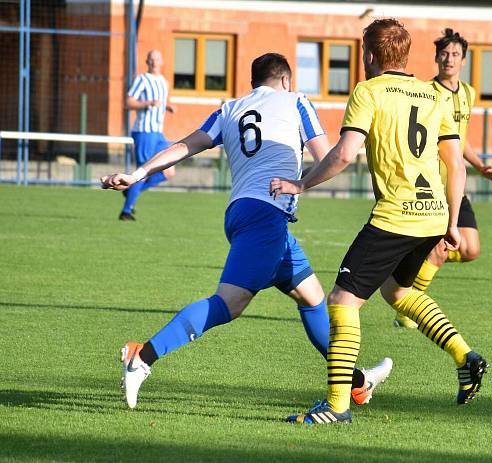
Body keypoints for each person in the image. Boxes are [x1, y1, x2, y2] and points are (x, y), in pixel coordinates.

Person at [101, 53, 392, 410]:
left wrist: (136, 174)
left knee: (312, 297)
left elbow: (184, 145)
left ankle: (355, 383)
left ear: (254, 83)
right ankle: (142, 356)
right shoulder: (297, 101)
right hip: (267, 216)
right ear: (286, 80)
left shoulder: (230, 109)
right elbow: (328, 155)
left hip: (242, 212)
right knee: (230, 303)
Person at [272, 19, 488, 425]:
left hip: (396, 216)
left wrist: (301, 183)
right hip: (433, 214)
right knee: (399, 293)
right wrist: (453, 222)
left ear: (370, 55)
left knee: (341, 302)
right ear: (405, 55)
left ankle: (337, 407)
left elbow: (343, 154)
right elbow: (455, 165)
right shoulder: (433, 94)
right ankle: (465, 355)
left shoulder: (368, 91)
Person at [394, 28, 492, 329]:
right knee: (442, 248)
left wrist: (481, 166)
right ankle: (407, 309)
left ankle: (417, 261)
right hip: (432, 186)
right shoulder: (426, 94)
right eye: (444, 54)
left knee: (470, 249)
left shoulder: (469, 93)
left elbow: (459, 139)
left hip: (456, 186)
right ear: (436, 58)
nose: (449, 59)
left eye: (455, 54)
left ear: (464, 60)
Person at [119, 49, 177, 221]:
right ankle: (126, 211)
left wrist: (168, 106)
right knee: (143, 171)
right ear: (147, 62)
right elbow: (128, 102)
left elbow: (161, 101)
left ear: (161, 61)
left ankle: (131, 190)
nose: (154, 62)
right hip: (144, 131)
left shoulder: (164, 82)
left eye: (157, 59)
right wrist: (147, 103)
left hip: (158, 132)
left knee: (169, 171)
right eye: (151, 59)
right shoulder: (142, 80)